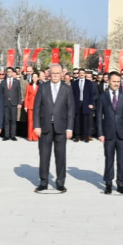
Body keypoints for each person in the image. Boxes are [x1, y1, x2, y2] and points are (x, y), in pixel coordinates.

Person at [33, 63, 75, 193]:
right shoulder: (43, 87)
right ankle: (43, 182)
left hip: (61, 127)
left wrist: (69, 128)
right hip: (45, 127)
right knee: (44, 156)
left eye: (58, 73)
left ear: (62, 74)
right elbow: (36, 107)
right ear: (49, 74)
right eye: (53, 73)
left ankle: (60, 182)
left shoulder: (67, 88)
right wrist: (36, 125)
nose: (55, 75)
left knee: (60, 156)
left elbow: (71, 109)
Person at [97, 71, 123, 195]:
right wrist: (100, 133)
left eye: (118, 82)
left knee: (121, 160)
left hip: (122, 133)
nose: (116, 84)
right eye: (114, 81)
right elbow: (98, 116)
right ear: (108, 81)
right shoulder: (103, 96)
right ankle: (108, 184)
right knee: (109, 159)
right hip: (108, 133)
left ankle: (120, 184)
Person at [72, 69, 97, 142]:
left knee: (85, 121)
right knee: (77, 121)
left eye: (83, 73)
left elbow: (91, 94)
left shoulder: (89, 83)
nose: (81, 74)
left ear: (85, 74)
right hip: (77, 103)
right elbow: (72, 94)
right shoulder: (74, 83)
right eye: (80, 73)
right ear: (78, 74)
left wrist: (91, 103)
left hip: (86, 104)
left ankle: (86, 136)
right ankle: (77, 136)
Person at [1, 67, 23, 141]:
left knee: (13, 120)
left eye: (10, 71)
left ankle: (13, 135)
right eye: (8, 72)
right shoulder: (3, 82)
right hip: (5, 103)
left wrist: (19, 103)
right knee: (6, 120)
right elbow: (1, 93)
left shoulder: (16, 82)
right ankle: (6, 135)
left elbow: (19, 93)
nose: (9, 73)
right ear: (6, 73)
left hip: (14, 103)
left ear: (13, 73)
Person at [25, 72, 40, 141]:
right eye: (33, 77)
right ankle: (30, 136)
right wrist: (25, 106)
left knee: (36, 122)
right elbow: (26, 96)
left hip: (38, 106)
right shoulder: (28, 85)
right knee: (30, 121)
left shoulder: (40, 86)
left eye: (36, 77)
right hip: (30, 105)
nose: (34, 78)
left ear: (38, 78)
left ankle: (35, 136)